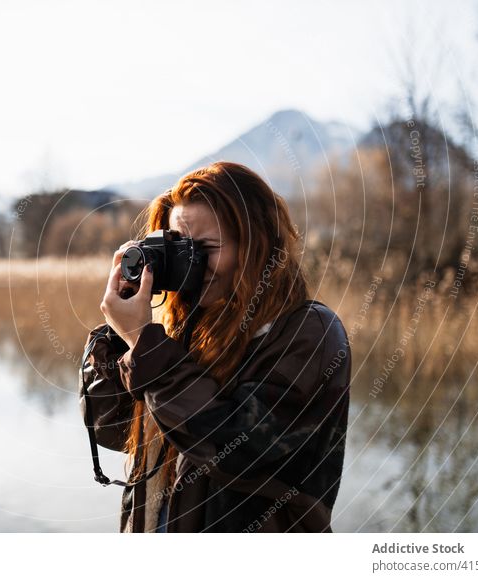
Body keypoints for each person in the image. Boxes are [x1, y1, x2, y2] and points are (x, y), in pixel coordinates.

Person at [78, 161, 351, 533]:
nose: (196, 264)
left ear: (258, 246)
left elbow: (238, 448)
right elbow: (111, 429)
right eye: (182, 249)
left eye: (207, 248)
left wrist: (145, 343)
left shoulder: (308, 332)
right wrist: (115, 336)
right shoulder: (181, 331)